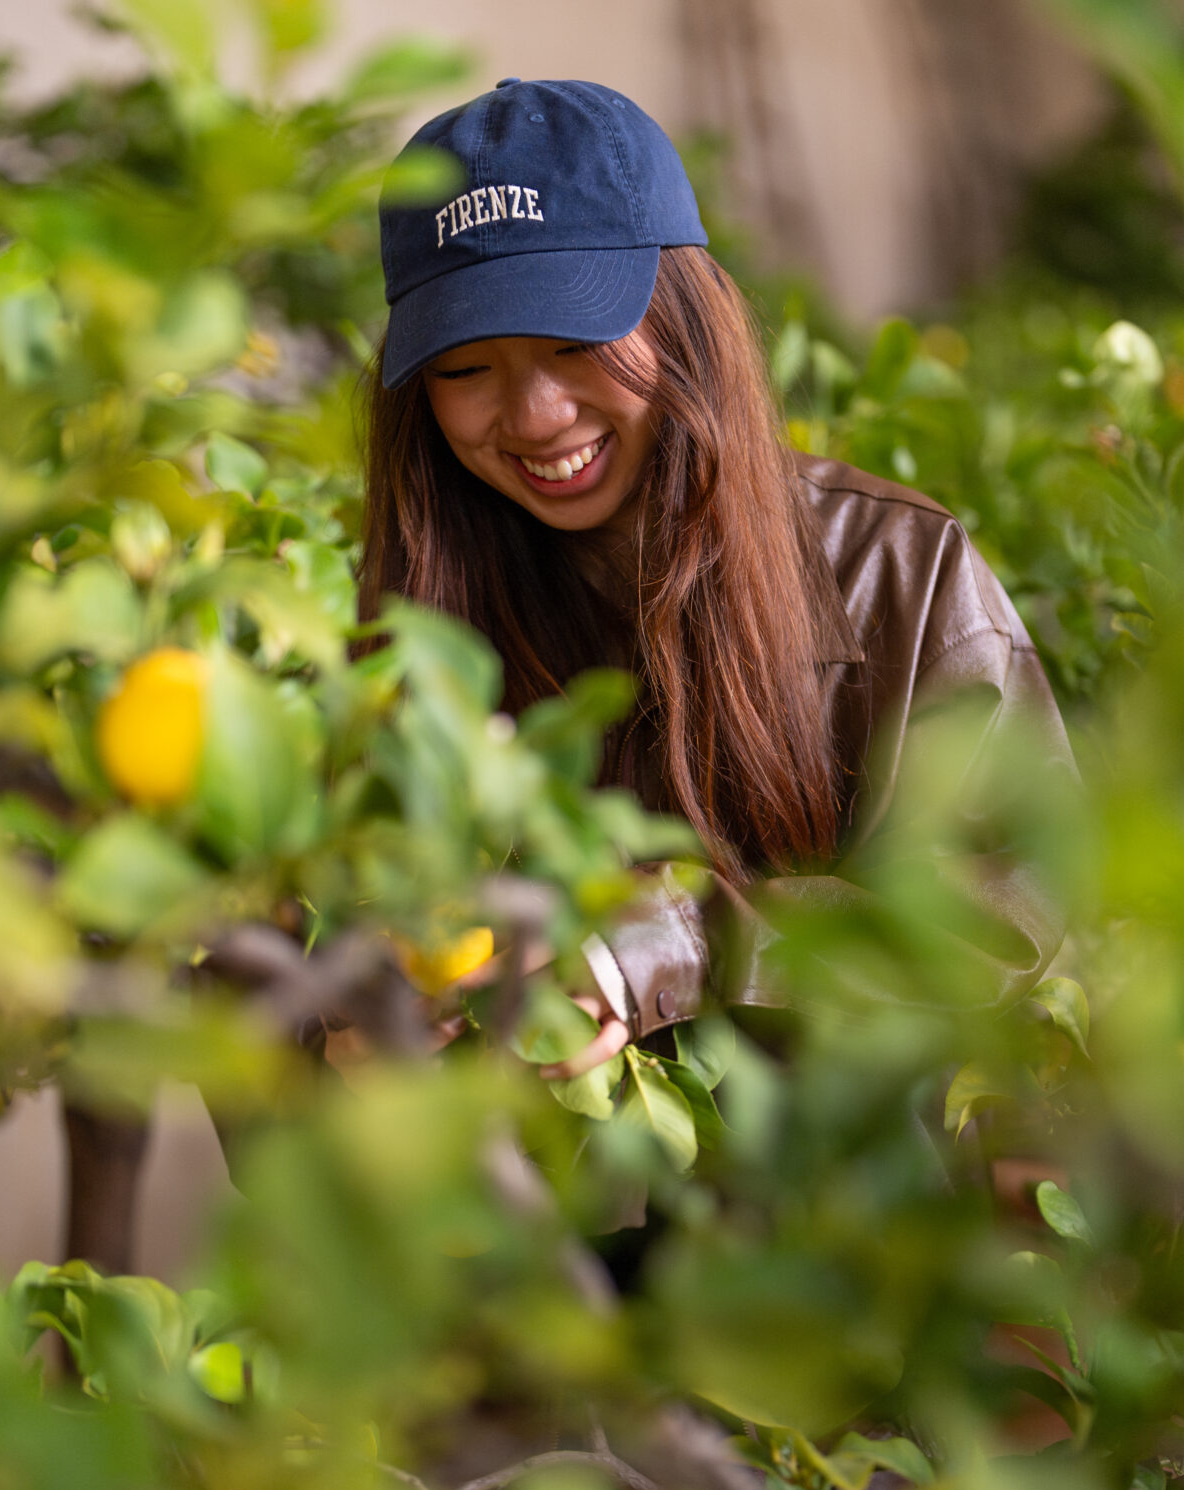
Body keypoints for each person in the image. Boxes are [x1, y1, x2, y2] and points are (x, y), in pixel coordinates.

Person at [363, 78, 1072, 1081]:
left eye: (573, 342)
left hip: (848, 1214)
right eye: (464, 369)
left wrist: (666, 941)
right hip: (523, 1221)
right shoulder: (420, 604)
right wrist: (349, 1028)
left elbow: (1013, 907)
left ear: (686, 318)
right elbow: (335, 908)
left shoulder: (892, 569)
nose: (529, 415)